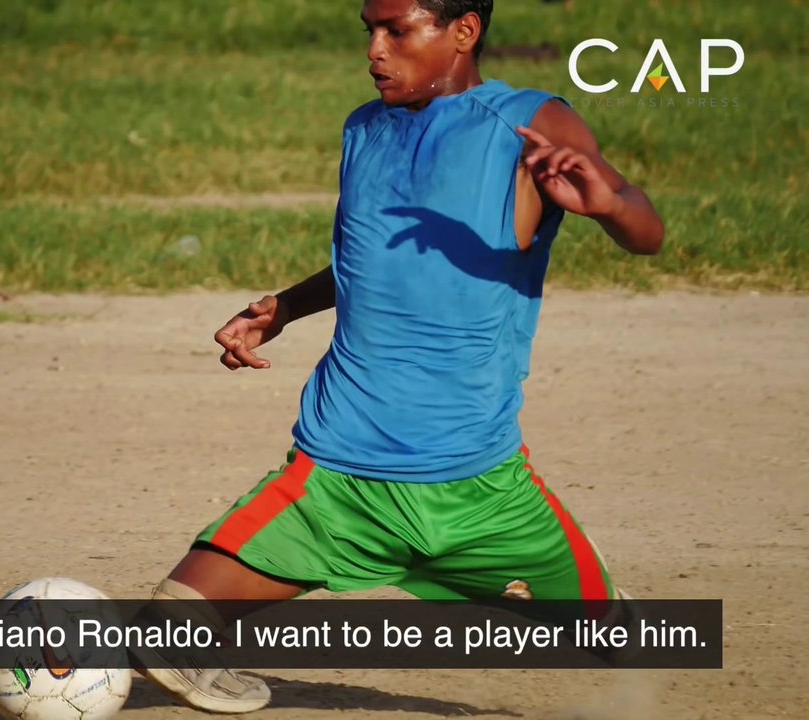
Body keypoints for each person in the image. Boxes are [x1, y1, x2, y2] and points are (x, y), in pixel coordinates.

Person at [134, 0, 665, 713]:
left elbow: (646, 231)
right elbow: (370, 261)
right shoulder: (364, 128)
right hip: (337, 479)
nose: (374, 51)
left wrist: (612, 208)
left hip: (481, 491)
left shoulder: (529, 123)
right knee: (163, 631)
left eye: (397, 31)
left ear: (464, 31)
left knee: (622, 636)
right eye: (370, 31)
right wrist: (286, 307)